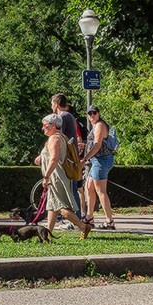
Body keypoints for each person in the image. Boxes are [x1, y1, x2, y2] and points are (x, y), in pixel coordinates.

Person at [36, 114, 92, 240]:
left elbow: (54, 159)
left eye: (45, 125)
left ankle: (83, 226)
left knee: (61, 207)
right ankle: (47, 234)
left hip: (57, 176)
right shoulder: (62, 137)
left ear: (53, 126)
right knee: (52, 206)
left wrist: (46, 176)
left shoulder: (54, 139)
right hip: (59, 176)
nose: (42, 128)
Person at [80, 105, 117, 230]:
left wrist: (84, 159)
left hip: (102, 161)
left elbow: (97, 145)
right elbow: (93, 143)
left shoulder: (100, 125)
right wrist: (84, 145)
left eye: (94, 113)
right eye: (89, 114)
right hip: (96, 160)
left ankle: (109, 221)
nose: (91, 116)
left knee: (101, 191)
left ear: (98, 113)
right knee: (89, 187)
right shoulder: (96, 126)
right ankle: (89, 217)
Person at [50, 93, 82, 221]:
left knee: (71, 191)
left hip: (68, 160)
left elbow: (59, 138)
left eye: (52, 104)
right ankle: (73, 219)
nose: (51, 106)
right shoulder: (69, 117)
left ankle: (76, 219)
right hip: (70, 158)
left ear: (56, 104)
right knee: (71, 190)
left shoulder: (63, 117)